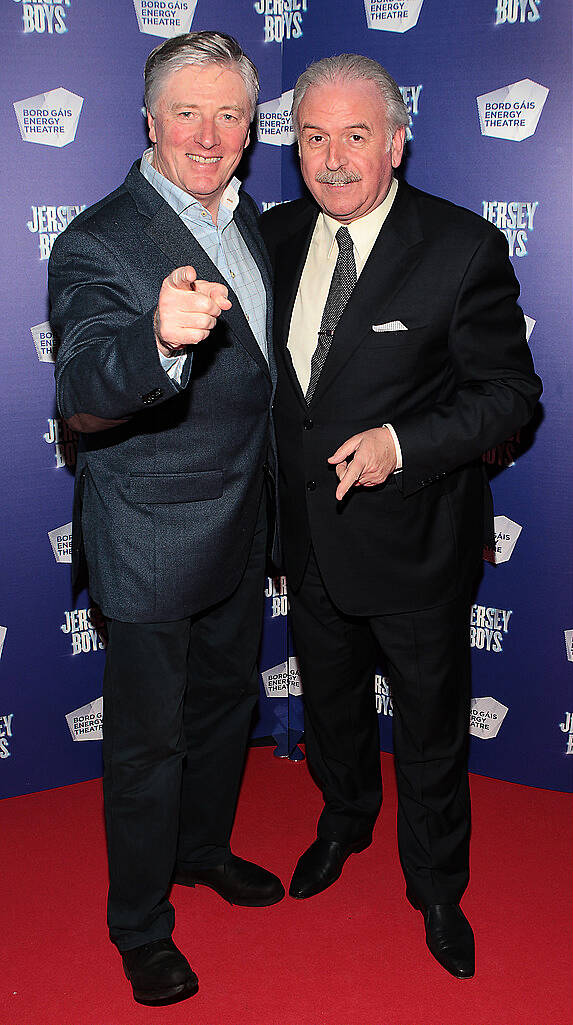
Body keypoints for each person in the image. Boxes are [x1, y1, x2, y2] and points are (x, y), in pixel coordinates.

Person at [260, 54, 541, 979]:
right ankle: (344, 822)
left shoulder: (460, 247)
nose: (333, 158)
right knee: (334, 712)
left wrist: (402, 442)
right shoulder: (273, 235)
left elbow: (509, 397)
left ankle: (435, 886)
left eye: (354, 135)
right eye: (312, 137)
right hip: (306, 544)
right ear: (291, 143)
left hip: (416, 542)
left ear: (396, 141)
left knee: (427, 731)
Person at [49, 32, 283, 1008]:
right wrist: (152, 339)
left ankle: (202, 849)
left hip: (243, 524)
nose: (210, 132)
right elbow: (85, 387)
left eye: (231, 112)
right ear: (149, 120)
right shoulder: (99, 240)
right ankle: (140, 923)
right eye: (187, 110)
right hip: (149, 534)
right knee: (148, 743)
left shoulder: (253, 216)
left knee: (227, 708)